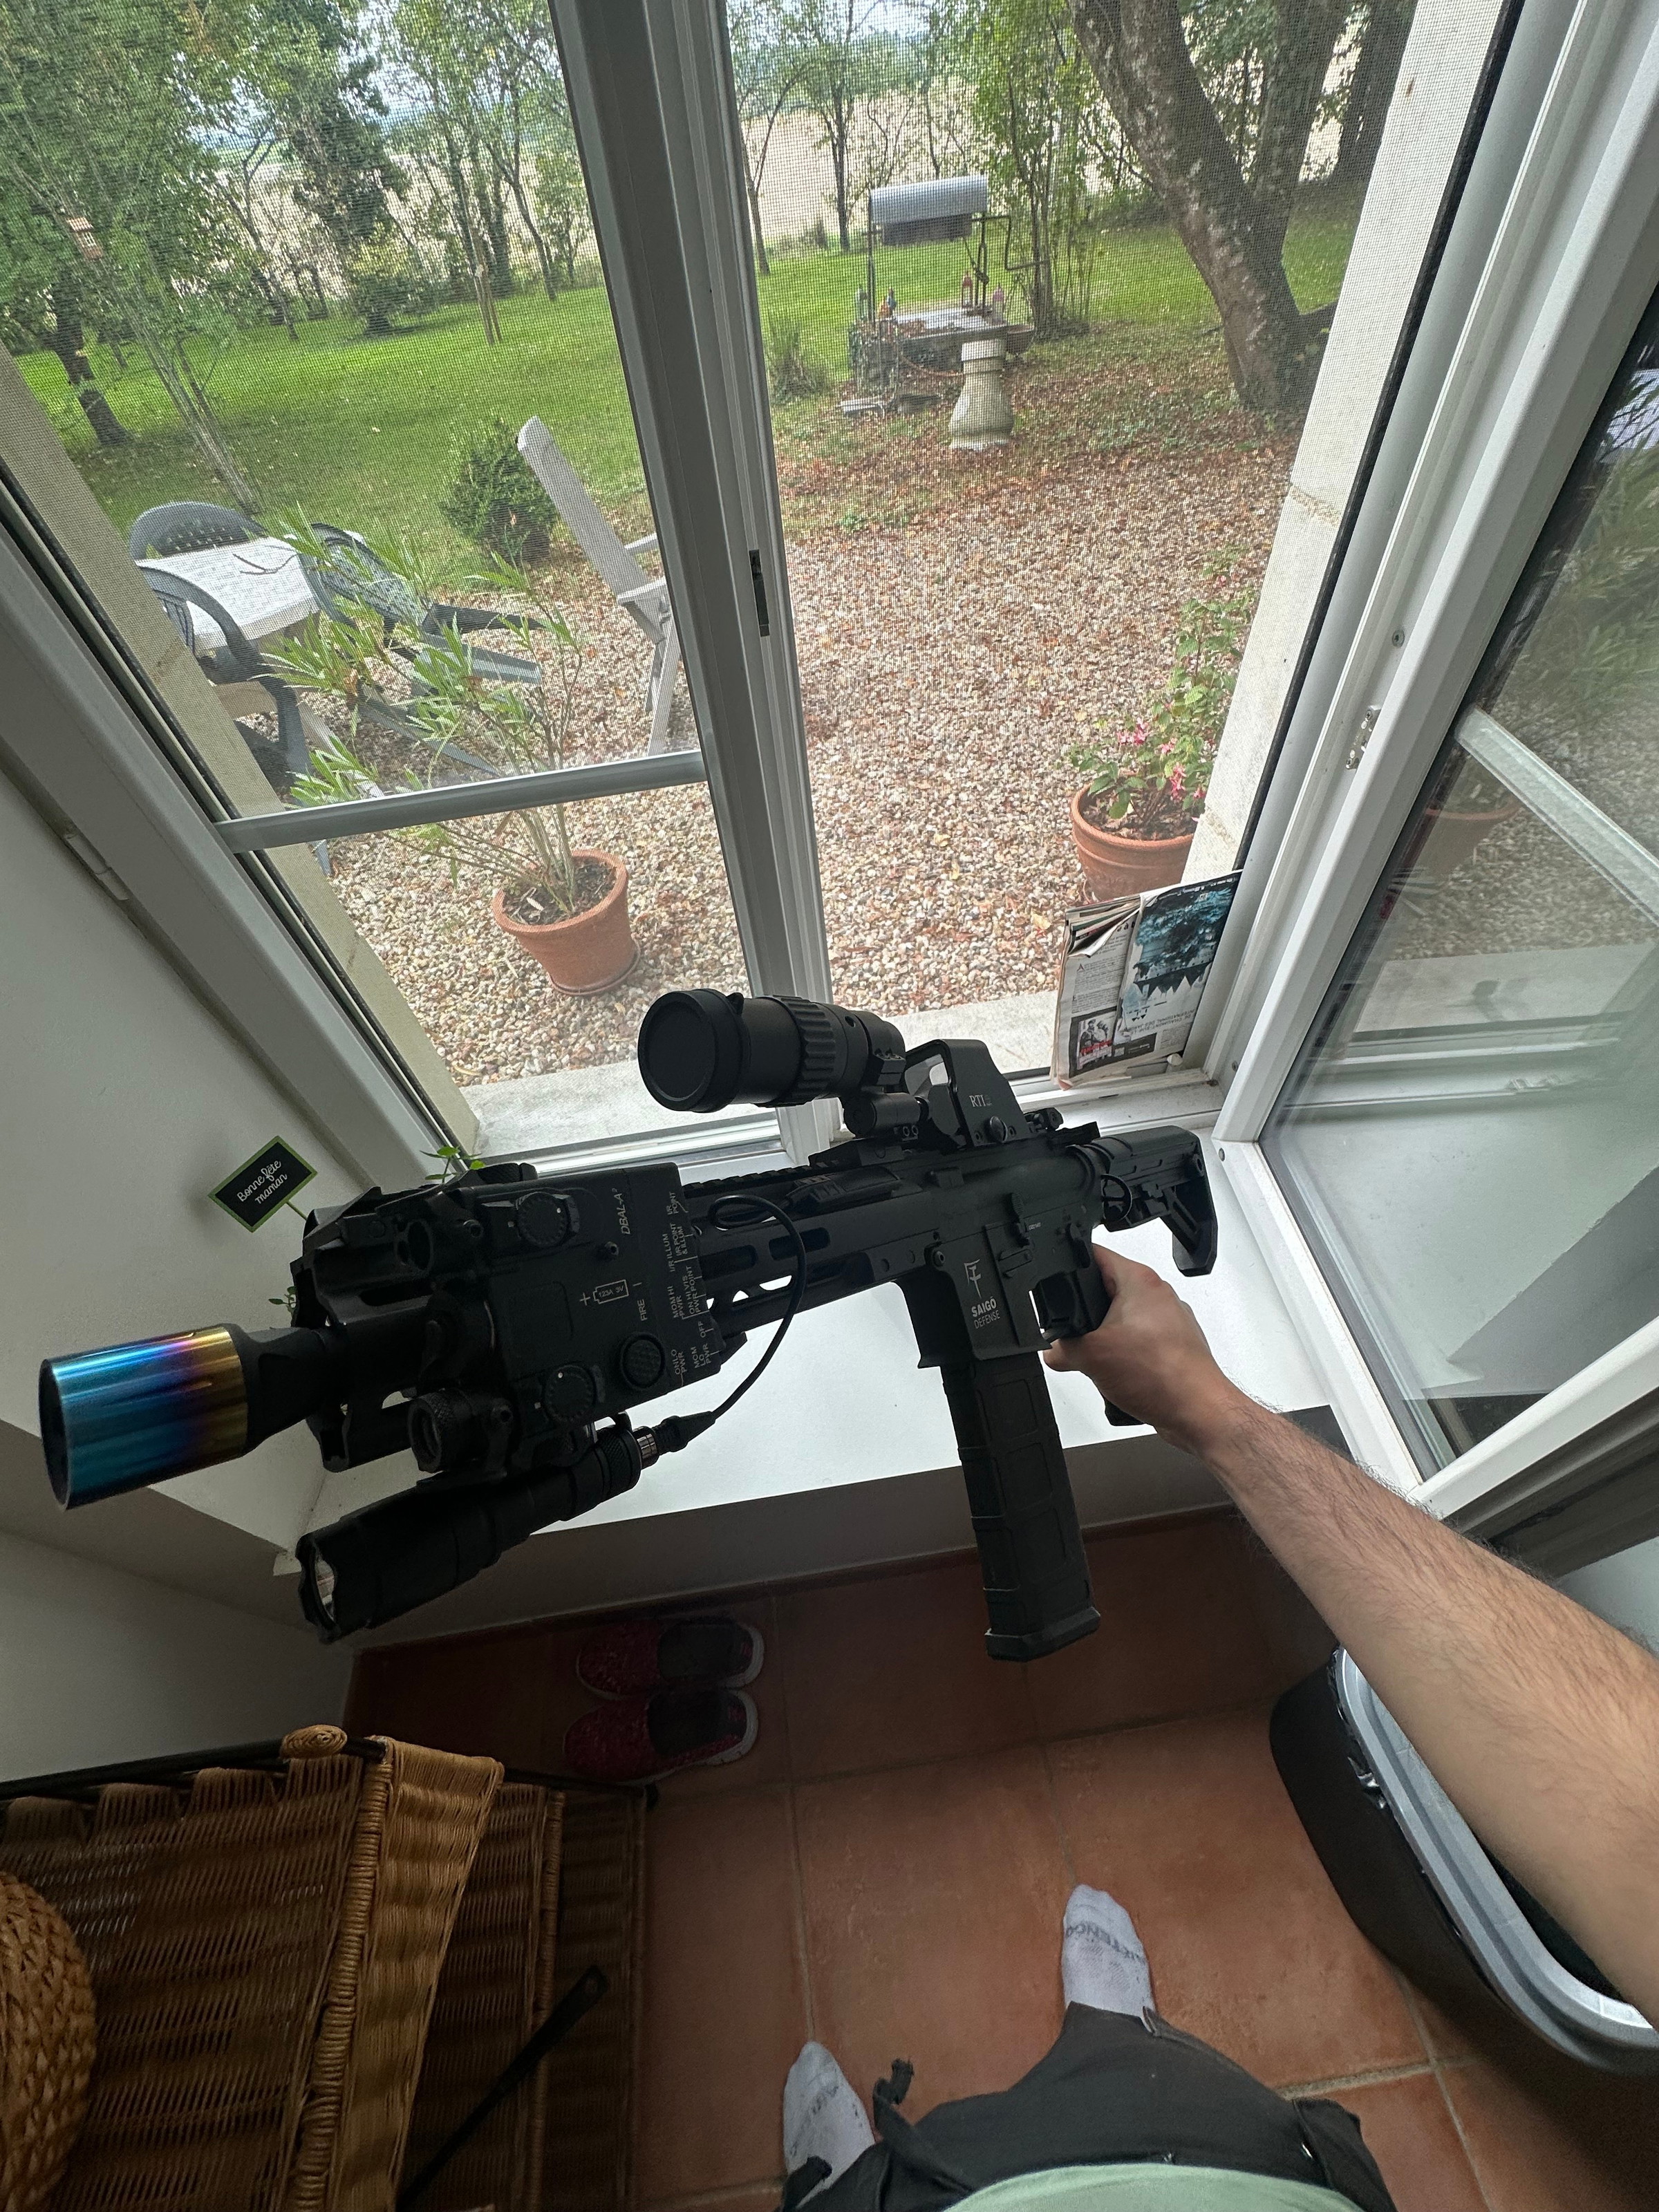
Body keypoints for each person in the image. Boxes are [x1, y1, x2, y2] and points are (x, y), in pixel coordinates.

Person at [778, 1244, 1659, 2210]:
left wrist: (1207, 1407)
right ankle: (1120, 2043)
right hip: (1247, 2175)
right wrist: (1202, 1403)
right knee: (1182, 2100)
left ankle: (842, 2181)